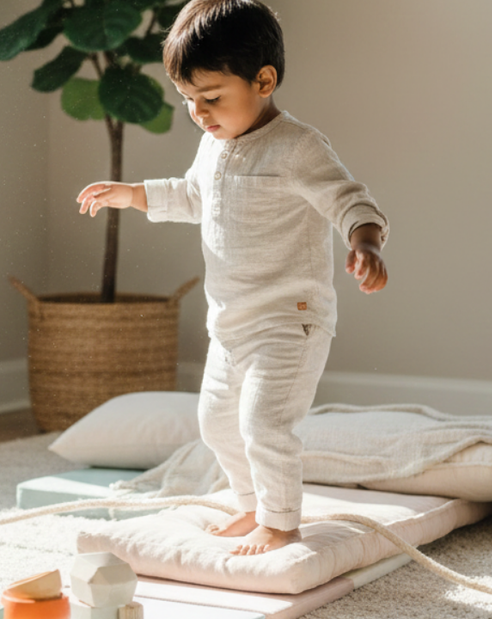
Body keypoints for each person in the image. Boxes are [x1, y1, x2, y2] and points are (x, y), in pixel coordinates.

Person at [76, 0, 390, 556]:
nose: (198, 112)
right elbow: (192, 195)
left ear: (263, 80)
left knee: (264, 424)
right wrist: (131, 194)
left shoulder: (297, 146)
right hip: (229, 325)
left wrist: (364, 242)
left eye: (212, 97)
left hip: (288, 323)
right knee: (217, 423)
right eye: (189, 99)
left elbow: (350, 200)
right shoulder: (213, 142)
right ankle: (250, 505)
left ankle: (282, 521)